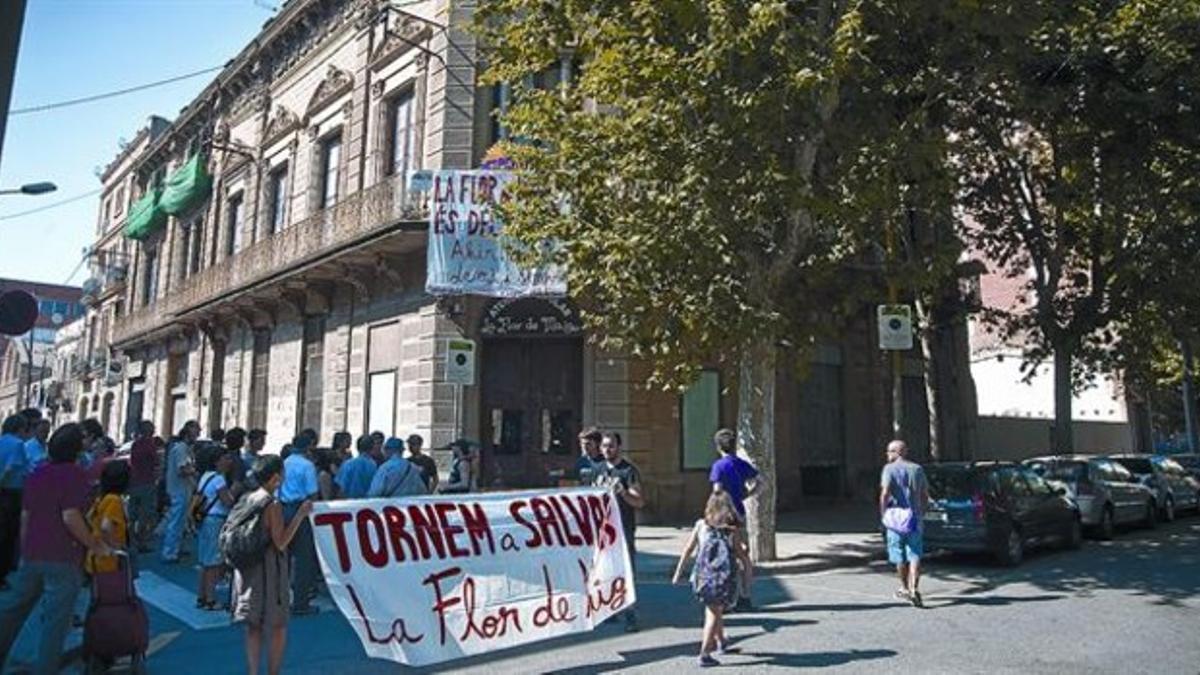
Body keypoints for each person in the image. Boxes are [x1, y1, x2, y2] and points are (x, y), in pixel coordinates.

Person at [0, 423, 112, 674]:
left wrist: (24, 550)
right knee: (55, 622)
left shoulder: (37, 474)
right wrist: (96, 545)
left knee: (13, 611)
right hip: (63, 555)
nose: (88, 441)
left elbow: (26, 517)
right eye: (83, 438)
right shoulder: (75, 475)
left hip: (33, 553)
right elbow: (70, 516)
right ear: (74, 447)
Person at [233, 455, 313, 675]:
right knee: (277, 625)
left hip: (246, 566)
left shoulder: (247, 498)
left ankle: (252, 671)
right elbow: (281, 542)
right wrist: (299, 515)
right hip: (268, 569)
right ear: (276, 477)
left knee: (253, 625)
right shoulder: (273, 504)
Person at [672, 492, 742, 667]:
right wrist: (747, 579)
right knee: (713, 613)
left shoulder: (700, 525)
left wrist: (678, 573)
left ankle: (722, 641)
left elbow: (688, 549)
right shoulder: (731, 530)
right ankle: (704, 653)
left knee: (713, 609)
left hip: (702, 577)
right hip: (722, 579)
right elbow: (741, 555)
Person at [593, 431, 645, 632]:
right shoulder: (596, 469)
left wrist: (623, 493)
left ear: (619, 447)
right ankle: (610, 609)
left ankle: (630, 613)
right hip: (602, 532)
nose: (607, 450)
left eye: (611, 446)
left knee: (626, 572)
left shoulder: (628, 471)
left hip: (623, 529)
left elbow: (639, 501)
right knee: (605, 570)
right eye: (604, 446)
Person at [708, 428, 758, 610]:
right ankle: (745, 595)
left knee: (724, 556)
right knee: (743, 556)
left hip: (723, 517)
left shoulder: (718, 466)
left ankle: (727, 597)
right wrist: (747, 494)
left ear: (718, 446)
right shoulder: (741, 464)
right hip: (740, 512)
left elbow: (717, 491)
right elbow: (760, 481)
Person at [879, 439, 929, 608]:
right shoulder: (917, 469)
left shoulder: (888, 469)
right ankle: (915, 588)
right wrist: (922, 512)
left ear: (897, 452)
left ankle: (904, 588)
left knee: (898, 554)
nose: (887, 455)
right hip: (914, 518)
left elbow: (885, 493)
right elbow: (924, 495)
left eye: (889, 451)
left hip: (895, 518)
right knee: (914, 554)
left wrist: (883, 512)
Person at [278, 434, 320, 615]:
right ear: (309, 447)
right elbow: (312, 493)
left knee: (283, 555)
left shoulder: (283, 463)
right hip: (300, 509)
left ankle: (279, 598)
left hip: (282, 508)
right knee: (303, 558)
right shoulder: (307, 465)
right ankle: (301, 602)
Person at [196, 449, 236, 610]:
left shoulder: (205, 477)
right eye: (225, 458)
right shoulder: (219, 479)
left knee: (205, 560)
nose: (229, 462)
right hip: (216, 520)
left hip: (205, 519)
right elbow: (227, 501)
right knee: (214, 561)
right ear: (217, 461)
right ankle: (211, 599)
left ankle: (202, 595)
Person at [0, 414, 31, 590]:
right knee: (8, 535)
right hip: (11, 493)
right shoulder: (17, 445)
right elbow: (11, 469)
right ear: (20, 429)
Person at [162, 420, 200, 563]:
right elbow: (183, 469)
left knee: (181, 521)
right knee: (175, 521)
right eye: (196, 431)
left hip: (184, 489)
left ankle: (176, 549)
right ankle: (169, 552)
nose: (198, 434)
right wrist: (194, 472)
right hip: (179, 490)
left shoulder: (186, 449)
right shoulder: (181, 449)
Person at [86, 460, 131, 576]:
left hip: (96, 553)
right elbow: (106, 526)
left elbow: (89, 517)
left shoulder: (101, 498)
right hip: (109, 557)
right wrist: (116, 547)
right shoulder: (114, 500)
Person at [127, 420, 159, 553]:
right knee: (145, 515)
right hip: (147, 482)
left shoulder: (135, 444)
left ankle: (129, 539)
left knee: (132, 514)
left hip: (134, 482)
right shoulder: (150, 445)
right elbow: (156, 463)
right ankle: (141, 542)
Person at [336, 435, 380, 499]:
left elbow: (342, 488)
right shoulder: (375, 466)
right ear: (372, 448)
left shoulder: (348, 464)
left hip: (349, 503)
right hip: (368, 504)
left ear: (357, 447)